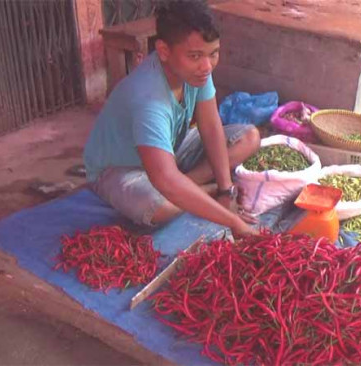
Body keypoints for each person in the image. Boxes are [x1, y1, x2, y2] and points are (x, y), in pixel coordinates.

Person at [83, 0, 260, 236]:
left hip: (171, 148)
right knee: (159, 207)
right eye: (195, 56)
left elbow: (210, 126)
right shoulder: (149, 99)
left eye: (213, 53)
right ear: (164, 51)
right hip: (121, 169)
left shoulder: (198, 72)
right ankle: (192, 190)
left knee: (249, 137)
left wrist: (226, 191)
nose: (207, 66)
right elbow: (163, 177)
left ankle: (185, 186)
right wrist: (233, 222)